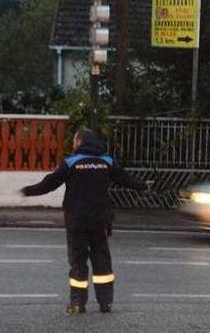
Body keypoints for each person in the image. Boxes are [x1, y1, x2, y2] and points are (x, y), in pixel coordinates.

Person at [21, 127, 150, 314]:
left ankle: (77, 304)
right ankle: (105, 303)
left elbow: (49, 184)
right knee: (102, 261)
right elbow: (126, 179)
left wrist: (27, 191)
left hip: (77, 221)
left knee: (78, 262)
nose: (73, 143)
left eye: (74, 140)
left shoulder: (71, 162)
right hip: (100, 221)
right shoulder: (107, 161)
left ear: (80, 141)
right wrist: (143, 187)